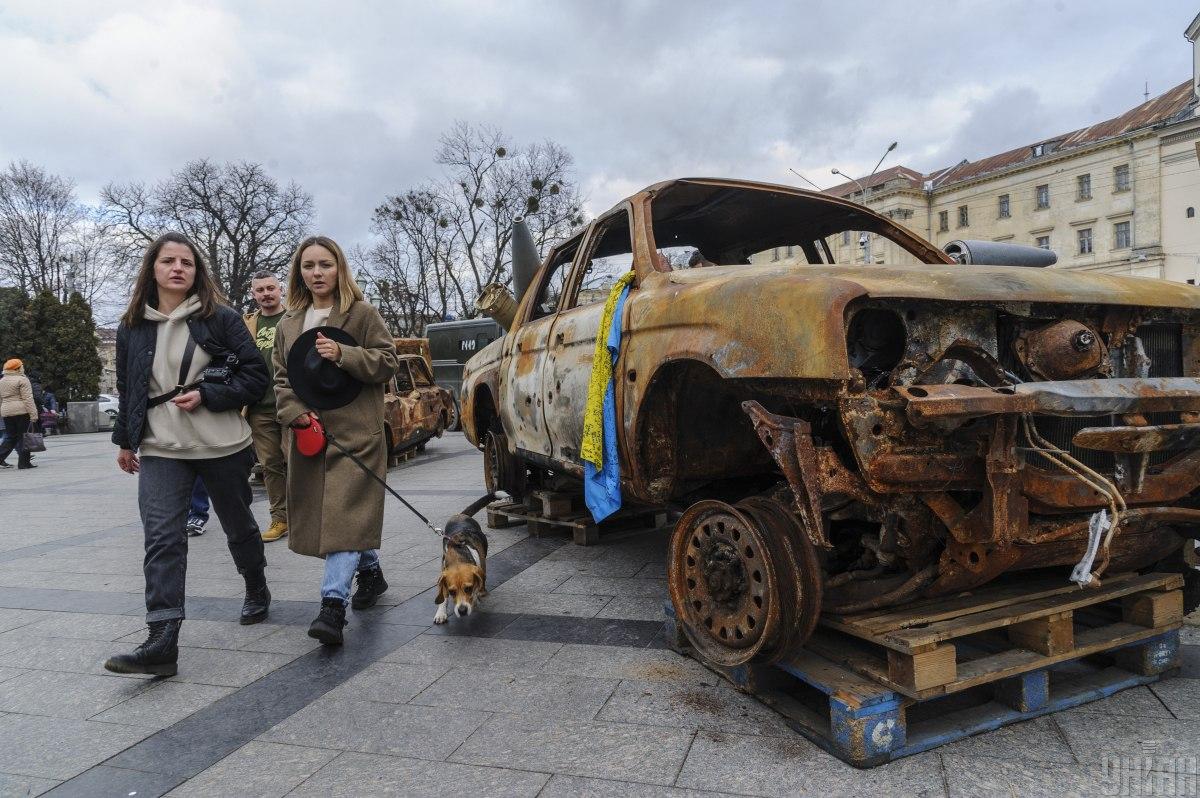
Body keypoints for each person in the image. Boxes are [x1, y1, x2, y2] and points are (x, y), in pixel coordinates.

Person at [104, 232, 272, 677]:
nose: (178, 268)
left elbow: (257, 377)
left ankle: (256, 584)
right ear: (153, 269)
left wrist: (209, 394)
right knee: (162, 537)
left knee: (238, 524)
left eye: (187, 262)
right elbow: (128, 387)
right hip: (161, 445)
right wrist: (125, 439)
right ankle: (162, 639)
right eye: (168, 261)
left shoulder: (222, 318)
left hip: (222, 443)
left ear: (197, 272)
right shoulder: (132, 326)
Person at [273, 235, 398, 646]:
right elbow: (282, 379)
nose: (317, 273)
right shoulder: (288, 324)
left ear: (339, 268)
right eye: (309, 266)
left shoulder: (361, 314)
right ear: (299, 273)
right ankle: (371, 572)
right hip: (310, 438)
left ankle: (332, 609)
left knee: (342, 519)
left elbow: (387, 363)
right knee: (337, 520)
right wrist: (295, 415)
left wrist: (343, 354)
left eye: (325, 264)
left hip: (356, 436)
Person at [243, 270, 290, 542]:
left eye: (270, 288)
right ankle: (280, 519)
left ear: (279, 289)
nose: (266, 294)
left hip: (291, 404)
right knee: (270, 465)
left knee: (299, 462)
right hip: (259, 407)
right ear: (254, 294)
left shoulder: (294, 318)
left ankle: (304, 517)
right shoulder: (249, 323)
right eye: (260, 290)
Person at [0, 359, 37, 469]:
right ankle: (24, 463)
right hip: (21, 411)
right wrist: (33, 414)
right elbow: (28, 398)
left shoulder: (2, 381)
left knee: (11, 437)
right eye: (22, 366)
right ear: (17, 368)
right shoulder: (22, 380)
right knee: (24, 437)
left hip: (6, 411)